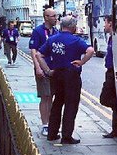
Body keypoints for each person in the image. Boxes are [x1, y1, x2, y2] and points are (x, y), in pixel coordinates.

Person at [37, 15, 94, 144]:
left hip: (57, 74)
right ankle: (66, 136)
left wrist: (47, 70)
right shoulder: (75, 40)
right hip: (71, 75)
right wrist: (81, 62)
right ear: (72, 27)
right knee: (71, 105)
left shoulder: (52, 39)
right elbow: (90, 50)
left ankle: (52, 133)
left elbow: (39, 54)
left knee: (57, 103)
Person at [29, 8, 58, 137]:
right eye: (53, 16)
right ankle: (45, 124)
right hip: (43, 68)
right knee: (45, 97)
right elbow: (34, 51)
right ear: (46, 17)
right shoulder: (38, 31)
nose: (56, 18)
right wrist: (37, 68)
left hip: (54, 69)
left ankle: (51, 123)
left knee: (51, 96)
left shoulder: (56, 31)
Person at [99, 15, 117, 138]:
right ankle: (116, 130)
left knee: (106, 99)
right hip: (110, 72)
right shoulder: (111, 38)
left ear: (111, 23)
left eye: (105, 23)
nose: (104, 25)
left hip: (114, 73)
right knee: (112, 101)